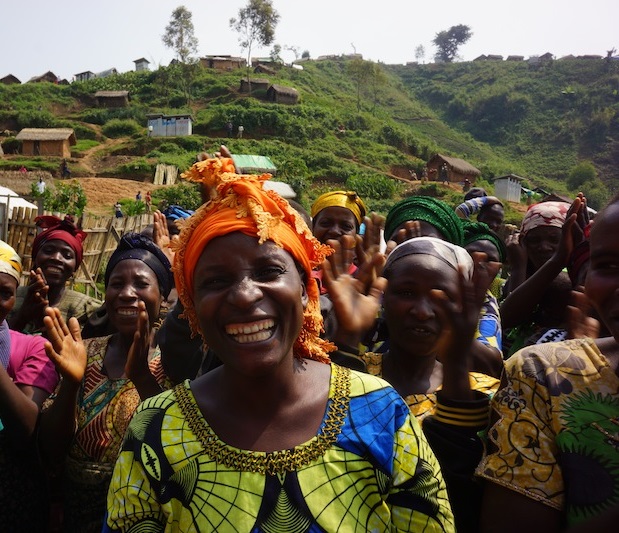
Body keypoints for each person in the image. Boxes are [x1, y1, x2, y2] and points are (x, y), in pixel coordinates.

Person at [104, 156, 455, 532]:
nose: (243, 295)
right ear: (191, 308)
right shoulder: (155, 429)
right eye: (216, 281)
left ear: (306, 290)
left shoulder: (380, 411)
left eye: (268, 271)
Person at [478, 192, 619, 531]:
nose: (543, 248)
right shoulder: (542, 376)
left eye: (553, 241)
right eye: (608, 266)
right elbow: (506, 316)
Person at [349, 237, 501, 532]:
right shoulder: (351, 375)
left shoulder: (488, 396)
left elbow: (461, 497)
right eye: (406, 292)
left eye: (441, 296)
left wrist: (457, 364)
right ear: (383, 296)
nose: (421, 310)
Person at [39, 233, 174, 532]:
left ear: (163, 296)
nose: (126, 293)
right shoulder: (84, 351)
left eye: (141, 284)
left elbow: (178, 450)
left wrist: (143, 380)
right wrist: (72, 385)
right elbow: (50, 448)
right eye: (116, 284)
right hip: (75, 511)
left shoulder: (174, 363)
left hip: (141, 515)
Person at [0, 240, 60, 532]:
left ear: (14, 299)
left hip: (10, 500)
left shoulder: (34, 347)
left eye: (3, 294)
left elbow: (24, 426)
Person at [8, 215, 101, 335]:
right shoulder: (10, 298)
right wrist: (23, 316)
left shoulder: (83, 310)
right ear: (35, 258)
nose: (56, 258)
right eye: (48, 251)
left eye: (67, 255)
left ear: (74, 268)